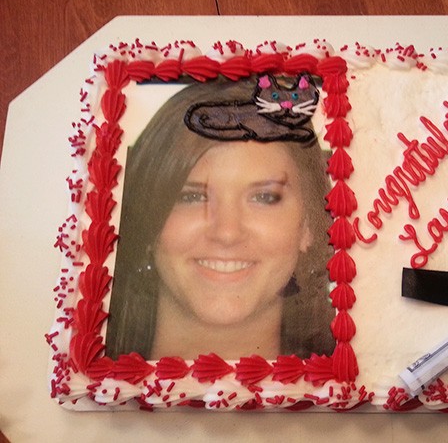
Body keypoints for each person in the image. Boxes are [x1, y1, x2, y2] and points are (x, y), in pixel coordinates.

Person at [105, 76, 336, 361]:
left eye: (264, 197)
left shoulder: (358, 378)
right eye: (191, 197)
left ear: (308, 224)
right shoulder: (83, 373)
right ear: (147, 218)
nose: (227, 233)